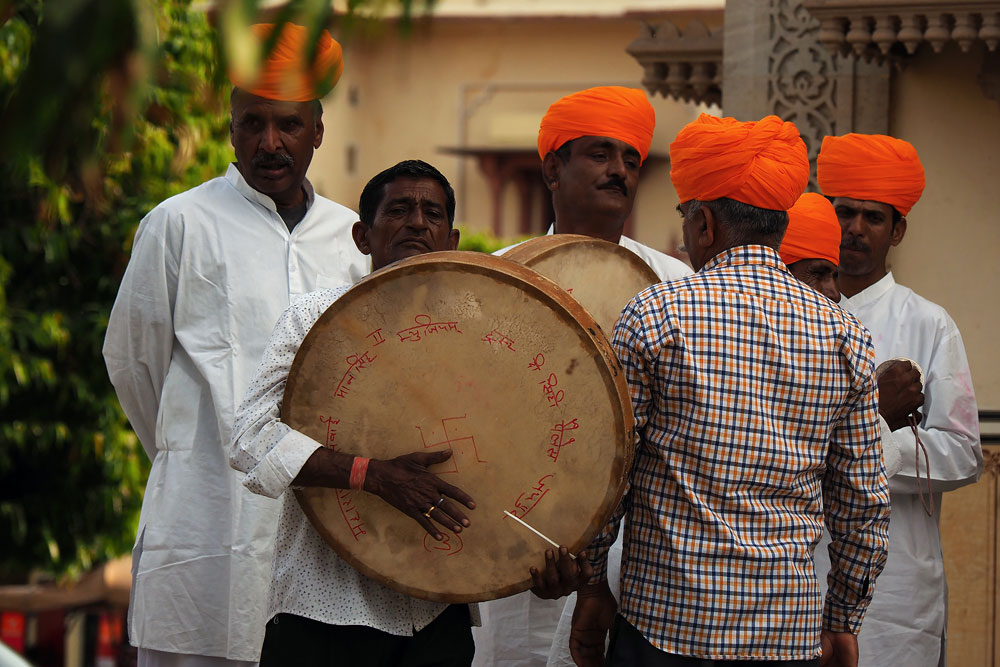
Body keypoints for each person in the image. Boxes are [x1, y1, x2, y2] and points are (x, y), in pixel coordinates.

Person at [563, 114, 891, 666]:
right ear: (779, 227)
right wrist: (842, 619)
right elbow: (863, 503)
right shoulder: (845, 334)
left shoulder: (656, 314)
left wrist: (593, 585)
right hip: (787, 630)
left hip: (665, 628)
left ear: (705, 225)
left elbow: (609, 468)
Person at [102, 23, 368, 666]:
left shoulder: (355, 239)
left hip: (325, 544)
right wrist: (190, 450)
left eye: (288, 125)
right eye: (252, 123)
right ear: (230, 127)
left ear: (319, 130)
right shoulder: (178, 223)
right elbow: (133, 365)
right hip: (204, 528)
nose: (268, 143)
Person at [229, 160, 480, 667]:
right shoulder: (310, 318)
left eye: (432, 213)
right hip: (324, 610)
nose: (416, 222)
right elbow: (250, 438)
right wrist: (371, 475)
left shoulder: (479, 329)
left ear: (450, 238)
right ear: (362, 236)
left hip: (438, 610)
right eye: (399, 210)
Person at [476, 85, 691, 667]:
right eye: (600, 153)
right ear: (553, 166)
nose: (619, 170)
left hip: (642, 556)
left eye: (630, 160)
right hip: (524, 538)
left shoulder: (676, 287)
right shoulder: (500, 275)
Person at [815, 133, 983, 667]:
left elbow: (963, 453)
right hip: (794, 573)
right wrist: (876, 419)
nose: (855, 229)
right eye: (843, 213)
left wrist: (871, 446)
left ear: (898, 229)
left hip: (894, 587)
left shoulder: (929, 324)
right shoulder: (793, 316)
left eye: (873, 217)